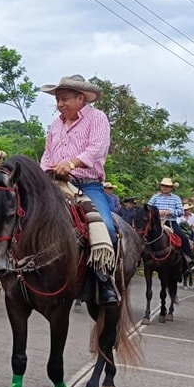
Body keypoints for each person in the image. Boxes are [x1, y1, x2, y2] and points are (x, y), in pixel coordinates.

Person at [39, 74, 118, 305]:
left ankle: (103, 282)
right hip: (55, 185)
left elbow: (97, 148)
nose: (60, 104)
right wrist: (44, 171)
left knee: (106, 226)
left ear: (80, 98)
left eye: (64, 99)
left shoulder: (97, 118)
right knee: (23, 216)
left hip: (87, 185)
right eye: (58, 100)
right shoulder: (55, 125)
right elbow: (47, 154)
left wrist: (72, 163)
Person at [148, 177, 194, 275]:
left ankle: (190, 260)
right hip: (156, 223)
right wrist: (158, 212)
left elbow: (180, 212)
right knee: (143, 235)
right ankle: (139, 257)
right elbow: (148, 209)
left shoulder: (176, 198)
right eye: (163, 186)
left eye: (167, 186)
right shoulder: (155, 197)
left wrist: (170, 212)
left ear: (171, 188)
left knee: (183, 238)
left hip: (171, 222)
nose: (164, 188)